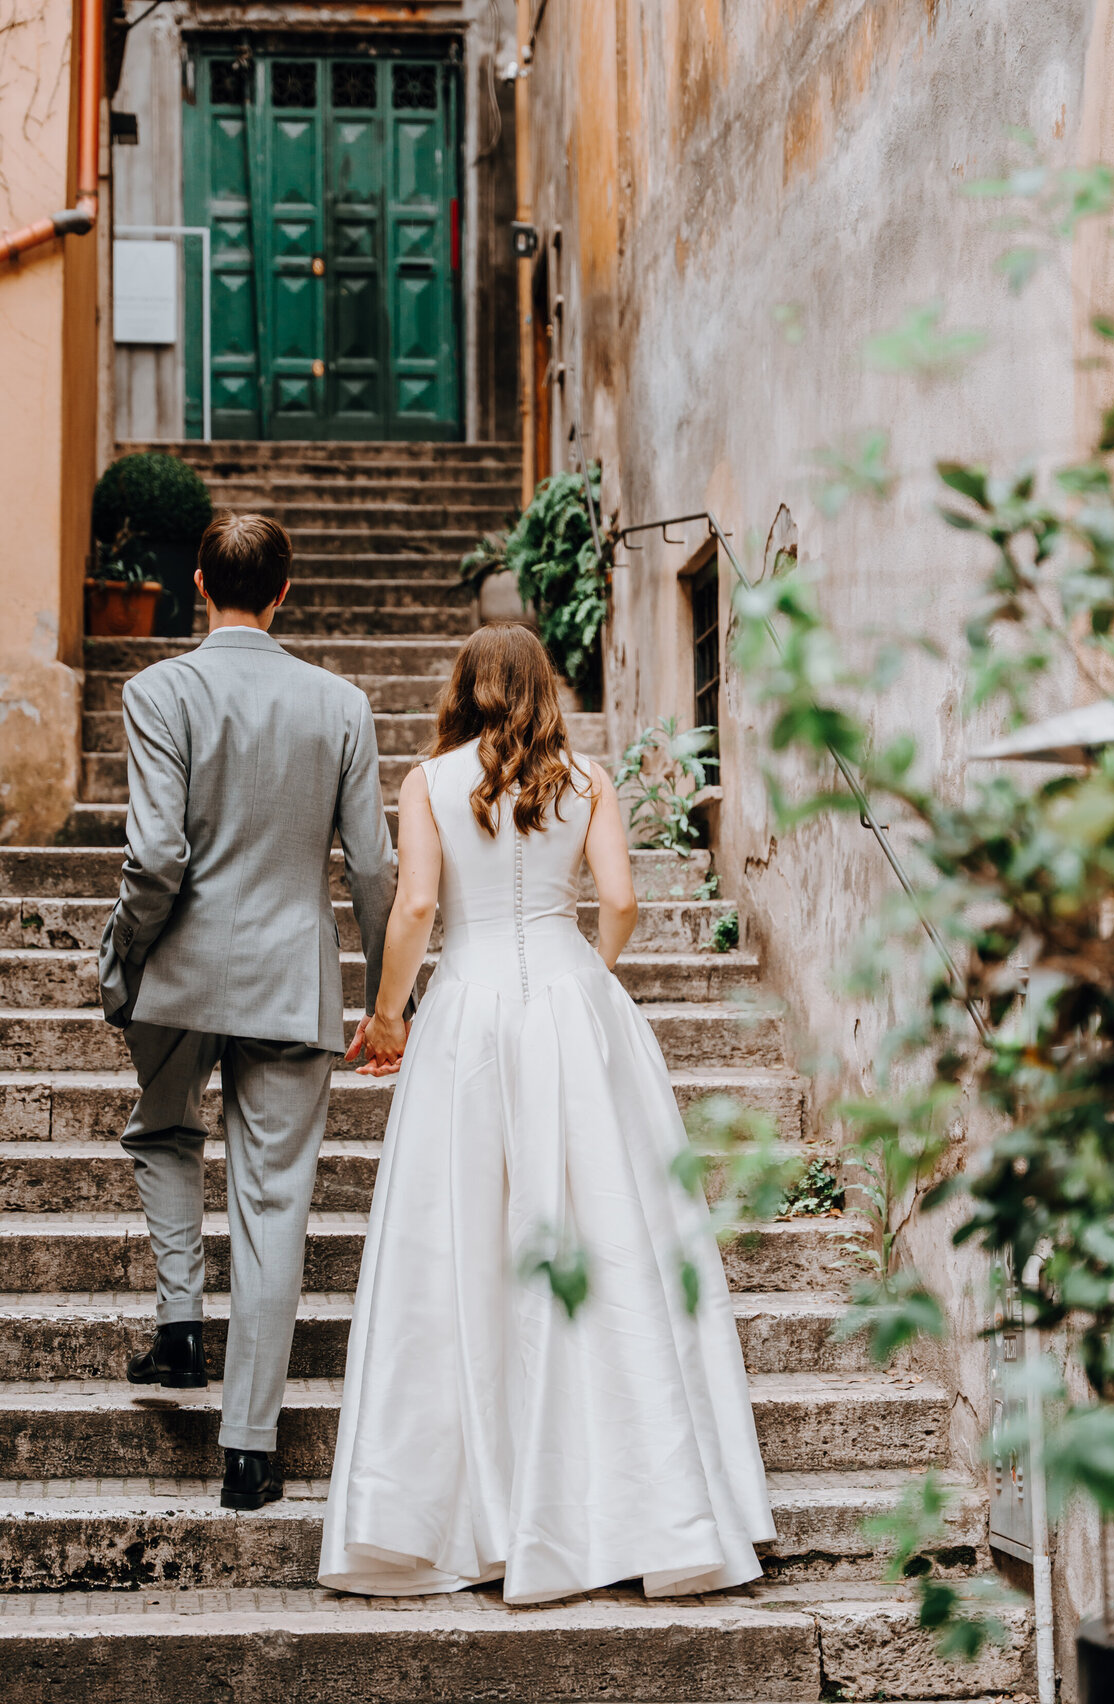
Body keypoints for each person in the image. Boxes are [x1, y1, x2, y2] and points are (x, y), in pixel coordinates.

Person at [319, 623, 773, 1603]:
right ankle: (634, 1501)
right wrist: (585, 978)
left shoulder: (429, 781)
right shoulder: (589, 779)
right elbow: (618, 901)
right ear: (543, 687)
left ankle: (456, 1511)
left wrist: (389, 1014)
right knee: (609, 1231)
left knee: (461, 1243)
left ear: (463, 689)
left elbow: (413, 910)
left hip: (468, 1010)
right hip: (571, 1003)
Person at [99, 512, 396, 1512]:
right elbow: (374, 864)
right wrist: (386, 989)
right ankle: (250, 1452)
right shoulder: (341, 704)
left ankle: (181, 1325)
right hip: (290, 984)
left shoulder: (157, 692)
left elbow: (155, 858)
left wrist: (125, 955)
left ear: (196, 583)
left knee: (164, 1133)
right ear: (284, 591)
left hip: (180, 974)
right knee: (274, 1207)